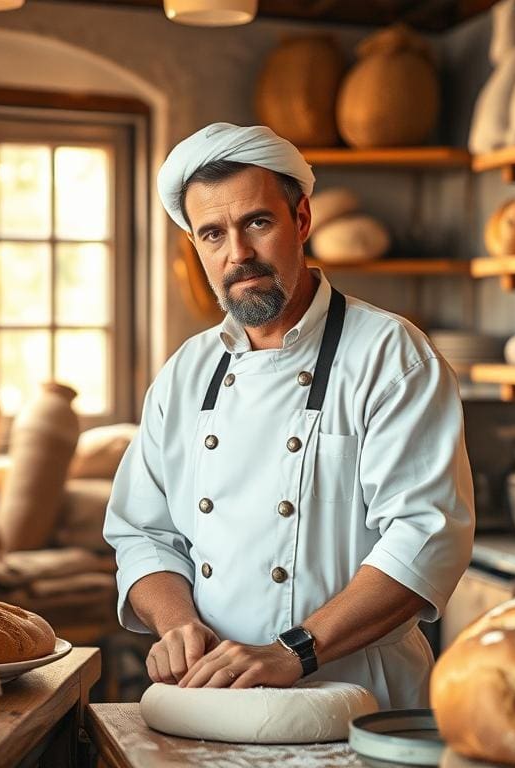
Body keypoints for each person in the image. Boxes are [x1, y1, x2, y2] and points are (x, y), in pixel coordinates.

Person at [103, 122, 474, 708]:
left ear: (301, 220)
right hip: (214, 694)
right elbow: (144, 532)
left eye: (257, 222)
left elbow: (425, 536)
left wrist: (293, 651)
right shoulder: (186, 372)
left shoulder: (390, 355)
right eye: (213, 234)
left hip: (360, 699)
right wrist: (176, 626)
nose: (238, 254)